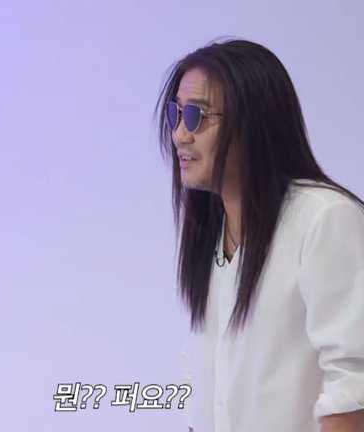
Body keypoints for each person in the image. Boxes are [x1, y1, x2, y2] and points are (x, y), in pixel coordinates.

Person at [154, 38, 364, 432]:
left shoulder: (324, 219)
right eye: (175, 113)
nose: (180, 134)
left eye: (197, 115)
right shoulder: (211, 234)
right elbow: (201, 378)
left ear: (252, 124)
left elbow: (354, 383)